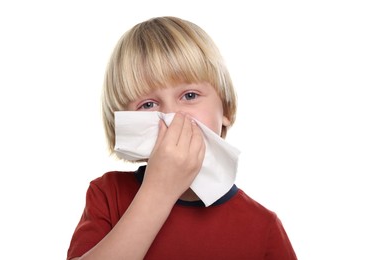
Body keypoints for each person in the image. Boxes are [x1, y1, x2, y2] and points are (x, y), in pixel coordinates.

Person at [67, 16, 297, 259]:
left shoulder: (263, 227)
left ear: (226, 110)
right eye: (148, 104)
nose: (170, 116)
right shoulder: (107, 195)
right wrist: (159, 191)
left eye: (189, 96)